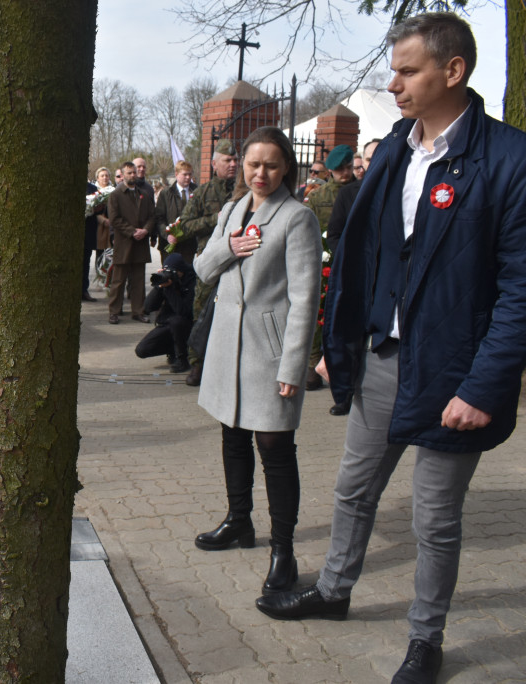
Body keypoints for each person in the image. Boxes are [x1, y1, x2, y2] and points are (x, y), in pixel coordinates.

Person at [254, 14, 526, 684]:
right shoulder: (392, 150)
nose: (392, 84)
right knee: (354, 488)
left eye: (407, 70)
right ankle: (333, 591)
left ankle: (426, 640)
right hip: (383, 358)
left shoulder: (516, 161)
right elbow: (361, 255)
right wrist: (341, 343)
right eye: (392, 70)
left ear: (453, 71)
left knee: (434, 517)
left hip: (456, 373)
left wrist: (483, 387)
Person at [192, 126, 322, 596]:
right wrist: (229, 246)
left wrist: (294, 366)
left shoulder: (297, 218)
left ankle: (283, 552)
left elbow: (306, 298)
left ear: (286, 166)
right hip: (229, 348)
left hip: (269, 353)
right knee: (232, 435)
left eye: (270, 164)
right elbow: (202, 269)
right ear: (240, 166)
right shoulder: (231, 210)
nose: (260, 173)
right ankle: (238, 521)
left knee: (275, 448)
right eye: (252, 164)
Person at [324, 138, 382, 416]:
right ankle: (344, 393)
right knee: (347, 335)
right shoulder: (349, 195)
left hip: (386, 279)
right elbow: (334, 234)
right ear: (363, 163)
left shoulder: (397, 192)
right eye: (369, 159)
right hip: (354, 276)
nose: (372, 164)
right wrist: (346, 259)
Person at [174, 140, 238, 386]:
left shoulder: (245, 192)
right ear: (214, 164)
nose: (233, 164)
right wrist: (215, 218)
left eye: (235, 160)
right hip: (208, 261)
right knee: (201, 311)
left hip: (237, 260)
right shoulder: (202, 193)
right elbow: (184, 227)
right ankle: (197, 363)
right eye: (227, 160)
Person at [304, 144, 357, 391]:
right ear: (330, 171)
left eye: (347, 168)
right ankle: (314, 364)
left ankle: (345, 367)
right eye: (338, 170)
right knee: (319, 314)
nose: (344, 173)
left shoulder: (363, 191)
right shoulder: (318, 197)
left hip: (354, 262)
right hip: (324, 262)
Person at [106, 161, 154, 324]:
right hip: (124, 242)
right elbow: (114, 219)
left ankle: (138, 311)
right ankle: (114, 311)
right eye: (129, 173)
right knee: (118, 280)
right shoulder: (116, 195)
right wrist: (132, 231)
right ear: (123, 174)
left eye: (134, 172)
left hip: (140, 243)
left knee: (139, 280)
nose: (133, 175)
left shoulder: (144, 194)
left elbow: (152, 216)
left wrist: (146, 230)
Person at [135, 253, 196, 372]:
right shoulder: (167, 283)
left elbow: (183, 311)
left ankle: (182, 359)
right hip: (168, 324)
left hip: (188, 326)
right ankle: (173, 350)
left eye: (173, 272)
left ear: (181, 271)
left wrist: (169, 290)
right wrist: (159, 286)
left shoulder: (192, 281)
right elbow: (148, 307)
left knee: (176, 321)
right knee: (142, 350)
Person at [154, 161, 197, 263]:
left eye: (190, 174)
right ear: (176, 174)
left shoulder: (197, 191)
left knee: (187, 276)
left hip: (189, 245)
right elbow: (159, 218)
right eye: (185, 174)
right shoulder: (166, 193)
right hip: (169, 244)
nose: (188, 177)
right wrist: (167, 235)